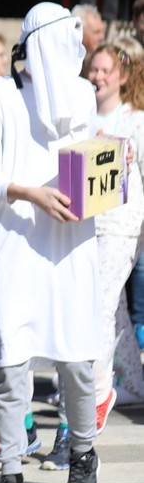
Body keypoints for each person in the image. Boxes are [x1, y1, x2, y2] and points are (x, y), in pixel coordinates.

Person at [0, 3, 106, 483]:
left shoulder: (82, 94)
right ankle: (10, 474)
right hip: (18, 240)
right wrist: (29, 192)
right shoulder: (2, 95)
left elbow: (92, 165)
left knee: (76, 360)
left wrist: (106, 177)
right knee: (11, 366)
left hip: (72, 243)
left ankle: (82, 452)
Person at [83, 42, 144, 414]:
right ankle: (135, 383)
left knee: (100, 304)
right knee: (115, 308)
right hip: (88, 225)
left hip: (124, 225)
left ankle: (96, 389)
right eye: (94, 69)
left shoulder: (136, 119)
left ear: (121, 76)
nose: (99, 77)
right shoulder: (82, 116)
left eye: (106, 70)